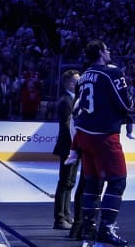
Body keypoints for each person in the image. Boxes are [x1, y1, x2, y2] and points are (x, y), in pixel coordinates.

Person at [68, 40, 135, 247]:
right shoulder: (112, 73)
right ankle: (106, 228)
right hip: (104, 135)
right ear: (99, 52)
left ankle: (88, 230)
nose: (110, 51)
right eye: (107, 49)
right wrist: (131, 104)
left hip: (85, 134)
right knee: (117, 181)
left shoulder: (84, 75)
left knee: (93, 182)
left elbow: (79, 107)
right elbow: (126, 104)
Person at [52, 69, 81, 230]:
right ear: (70, 84)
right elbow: (68, 126)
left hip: (73, 147)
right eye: (77, 81)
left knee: (70, 182)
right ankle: (60, 218)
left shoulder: (73, 100)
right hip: (68, 147)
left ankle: (66, 215)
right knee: (65, 182)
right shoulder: (66, 101)